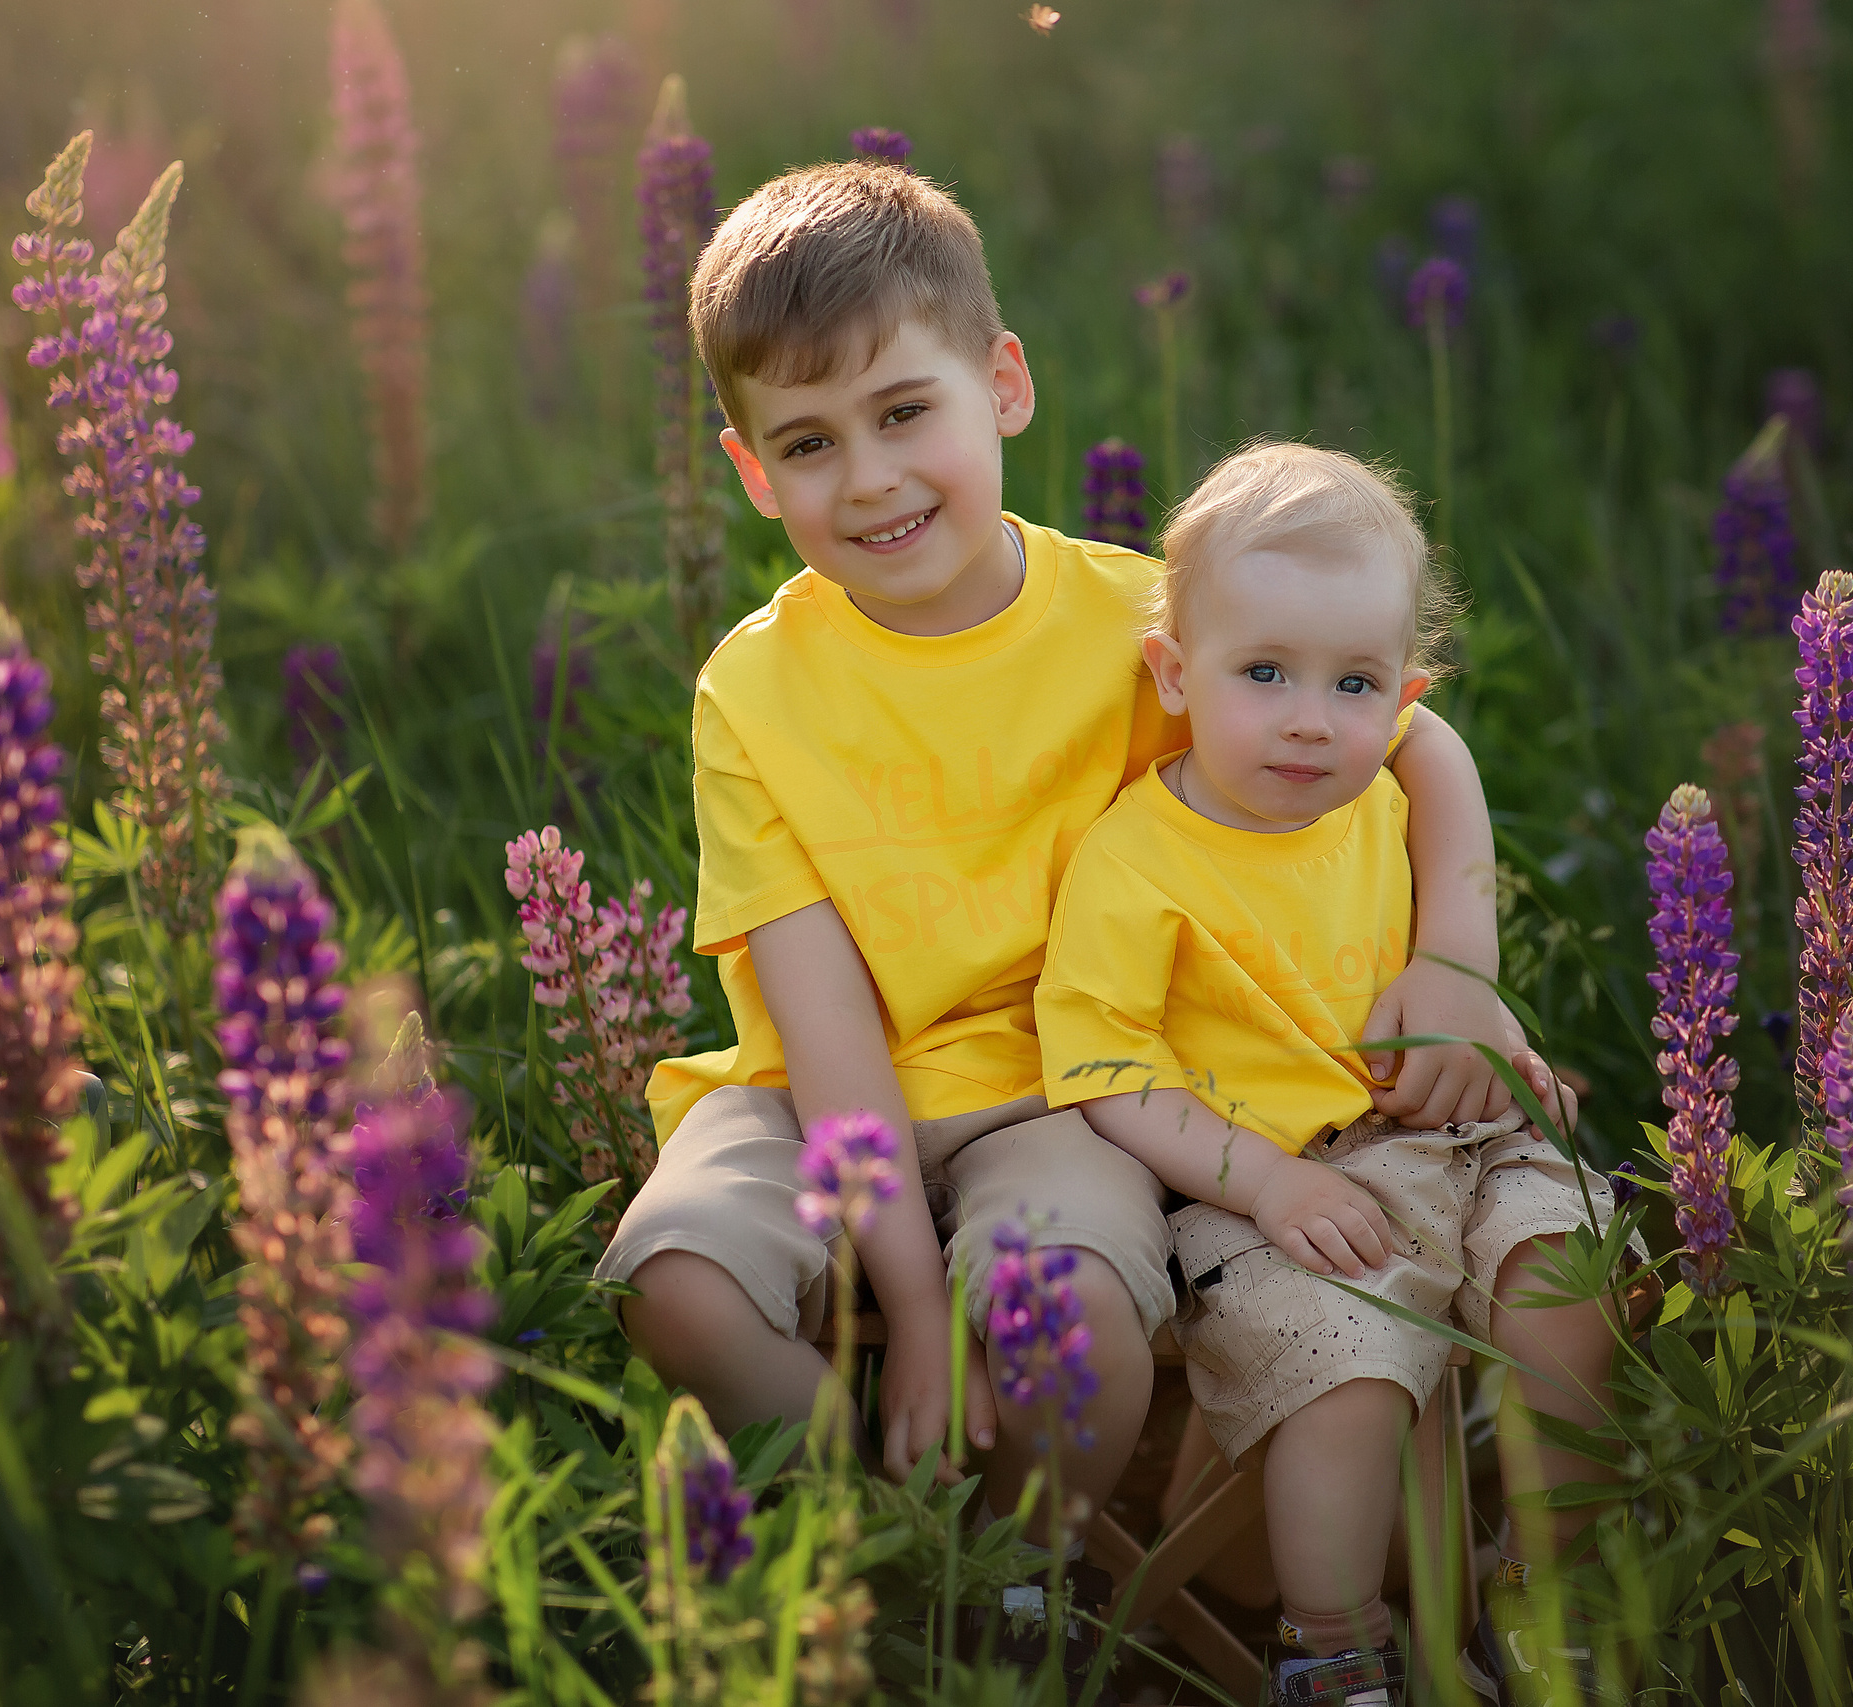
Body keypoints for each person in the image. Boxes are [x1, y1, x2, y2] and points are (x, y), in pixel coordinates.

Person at [595, 161, 1532, 1676]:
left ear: (1004, 384)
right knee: (677, 1283)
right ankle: (898, 1528)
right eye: (810, 444)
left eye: (909, 412)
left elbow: (1412, 734)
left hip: (1066, 1093)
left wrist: (1455, 955)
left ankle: (1032, 1567)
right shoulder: (754, 687)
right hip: (815, 1091)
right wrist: (904, 1284)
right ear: (752, 473)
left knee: (1076, 1327)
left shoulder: (1134, 620)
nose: (876, 478)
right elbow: (821, 1012)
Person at [1036, 441, 1639, 1707]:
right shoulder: (1134, 862)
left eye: (1353, 682)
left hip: (1456, 1133)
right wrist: (1262, 1184)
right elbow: (1101, 1065)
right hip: (1270, 1182)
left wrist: (1462, 974)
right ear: (1173, 675)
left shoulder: (1381, 777)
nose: (1312, 717)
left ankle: (1544, 1585)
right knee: (1346, 1365)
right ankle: (1336, 1649)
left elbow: (1443, 758)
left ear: (1400, 690)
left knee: (1570, 1270)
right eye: (1264, 674)